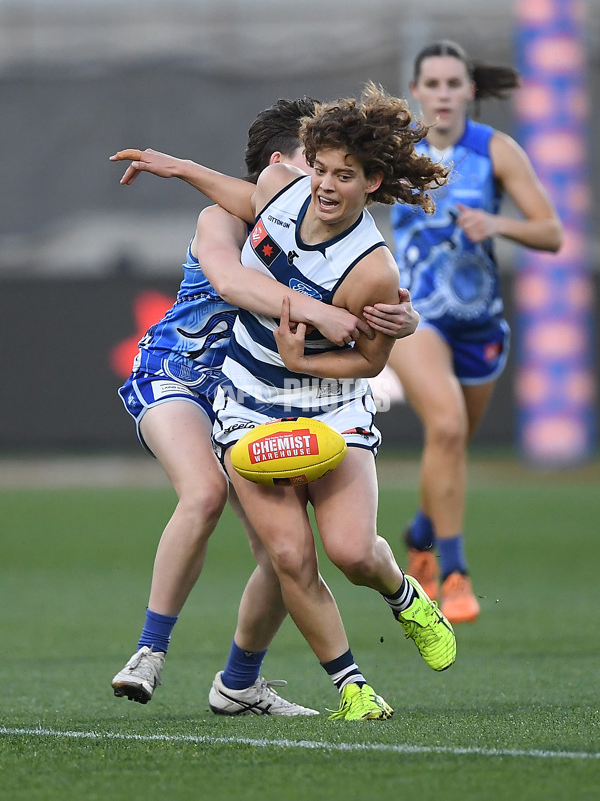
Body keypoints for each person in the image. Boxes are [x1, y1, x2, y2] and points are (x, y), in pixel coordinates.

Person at [113, 81, 456, 721]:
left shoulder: (373, 269)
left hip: (328, 403)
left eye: (340, 174)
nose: (322, 183)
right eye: (317, 167)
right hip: (240, 397)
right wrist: (178, 166)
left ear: (372, 181)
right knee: (287, 553)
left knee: (351, 552)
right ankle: (348, 687)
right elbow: (237, 250)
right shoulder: (274, 199)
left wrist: (321, 350)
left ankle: (402, 595)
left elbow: (373, 361)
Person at [375, 40, 563, 624]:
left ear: (470, 91)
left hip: (480, 322)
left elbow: (551, 233)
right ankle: (450, 572)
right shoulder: (397, 152)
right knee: (448, 425)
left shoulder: (496, 151)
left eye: (453, 83)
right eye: (431, 83)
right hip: (415, 316)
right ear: (416, 90)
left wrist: (497, 223)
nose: (442, 94)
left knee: (452, 444)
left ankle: (421, 531)